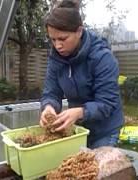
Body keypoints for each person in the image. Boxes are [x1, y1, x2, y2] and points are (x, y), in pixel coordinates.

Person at [39, 0, 124, 149]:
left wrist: (80, 112)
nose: (57, 45)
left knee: (101, 170)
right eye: (53, 39)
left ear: (79, 32)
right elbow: (51, 92)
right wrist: (48, 107)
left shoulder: (102, 58)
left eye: (62, 39)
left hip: (104, 130)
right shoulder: (56, 59)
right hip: (78, 129)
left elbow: (107, 103)